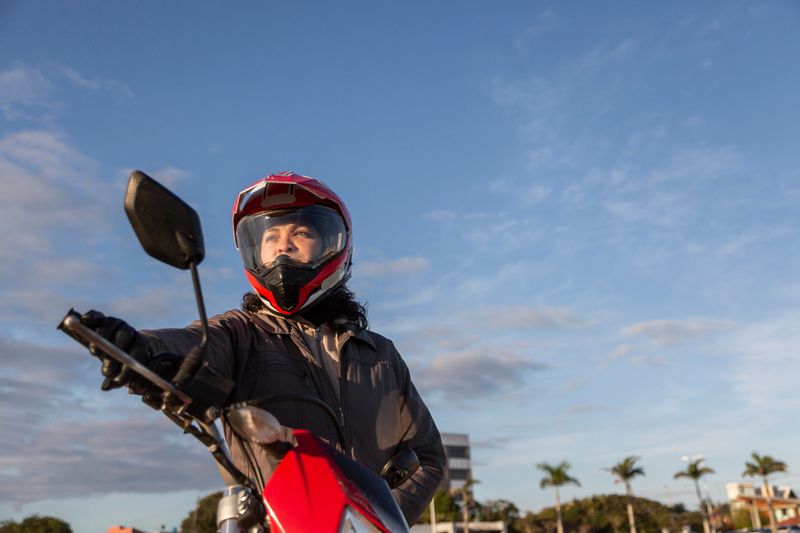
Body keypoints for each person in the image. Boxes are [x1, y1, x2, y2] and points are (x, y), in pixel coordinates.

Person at [81, 171, 446, 525]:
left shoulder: (380, 354)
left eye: (301, 232)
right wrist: (138, 346)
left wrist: (376, 519)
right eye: (271, 236)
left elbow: (428, 456)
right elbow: (192, 344)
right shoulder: (240, 334)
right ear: (255, 249)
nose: (283, 245)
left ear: (335, 244)